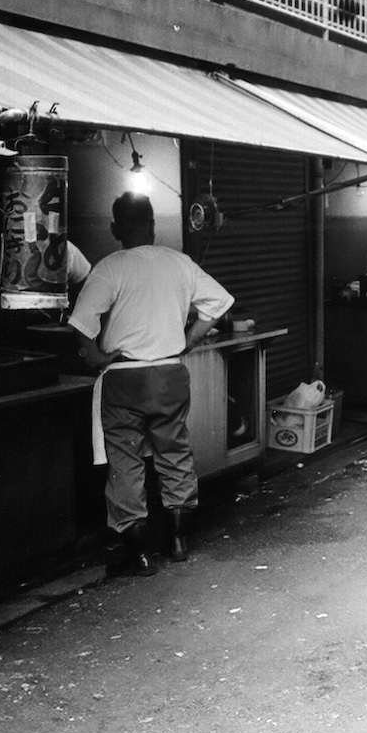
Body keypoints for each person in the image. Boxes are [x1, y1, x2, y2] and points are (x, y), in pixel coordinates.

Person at [68, 192, 235, 577]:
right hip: (170, 373)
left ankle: (137, 555)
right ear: (154, 225)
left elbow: (81, 323)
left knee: (126, 462)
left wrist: (93, 356)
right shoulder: (179, 262)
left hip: (125, 379)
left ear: (114, 229)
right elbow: (221, 304)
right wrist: (189, 340)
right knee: (174, 453)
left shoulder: (110, 268)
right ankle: (177, 540)